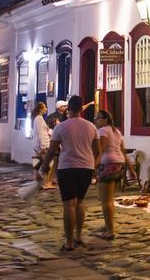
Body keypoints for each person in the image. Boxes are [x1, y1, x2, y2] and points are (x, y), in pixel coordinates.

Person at [39, 95, 99, 252]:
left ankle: (69, 241)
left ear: (69, 109)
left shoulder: (61, 127)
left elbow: (52, 150)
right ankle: (79, 235)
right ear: (81, 109)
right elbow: (97, 150)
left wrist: (44, 167)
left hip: (67, 168)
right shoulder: (91, 127)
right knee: (80, 202)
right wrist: (93, 166)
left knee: (68, 204)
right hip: (86, 168)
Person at [94, 110, 125, 240]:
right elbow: (122, 150)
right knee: (109, 198)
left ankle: (110, 230)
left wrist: (93, 166)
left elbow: (100, 150)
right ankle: (108, 225)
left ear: (105, 119)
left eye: (98, 118)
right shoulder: (116, 131)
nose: (96, 120)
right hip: (118, 163)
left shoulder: (103, 131)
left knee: (105, 199)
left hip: (107, 164)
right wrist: (129, 167)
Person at [32, 102, 55, 189]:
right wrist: (44, 146)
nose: (46, 109)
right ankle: (46, 183)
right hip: (42, 145)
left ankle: (38, 180)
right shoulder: (39, 119)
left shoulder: (37, 119)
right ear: (41, 109)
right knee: (48, 163)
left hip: (37, 145)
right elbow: (41, 133)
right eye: (45, 107)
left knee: (38, 163)